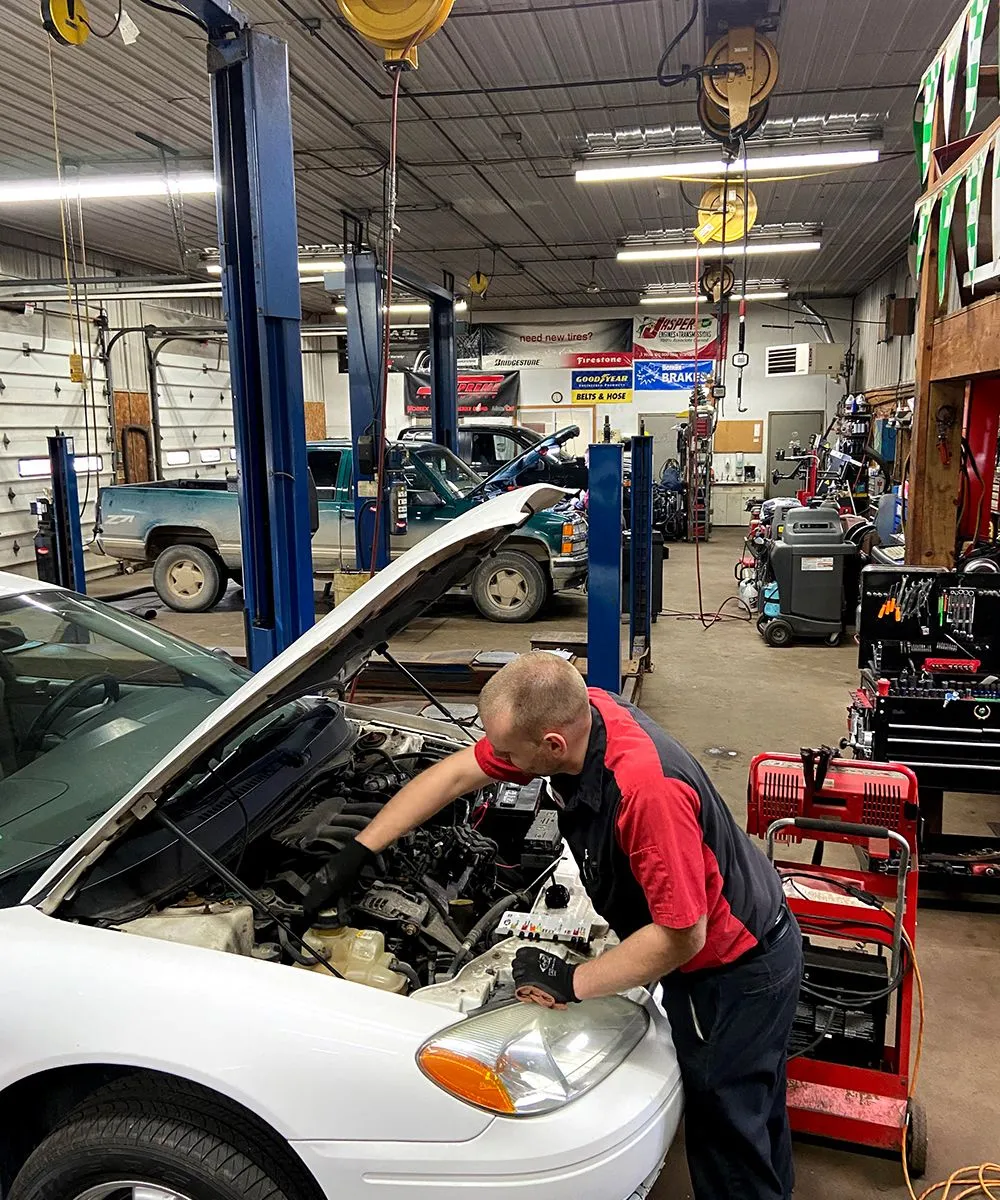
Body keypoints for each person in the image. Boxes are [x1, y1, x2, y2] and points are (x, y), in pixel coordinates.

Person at [306, 652, 802, 1200]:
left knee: (728, 1132)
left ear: (552, 745)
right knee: (756, 1110)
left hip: (732, 971)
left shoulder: (645, 792)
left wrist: (573, 982)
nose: (497, 760)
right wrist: (358, 850)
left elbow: (682, 935)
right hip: (751, 936)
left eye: (508, 751)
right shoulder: (583, 716)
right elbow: (452, 776)